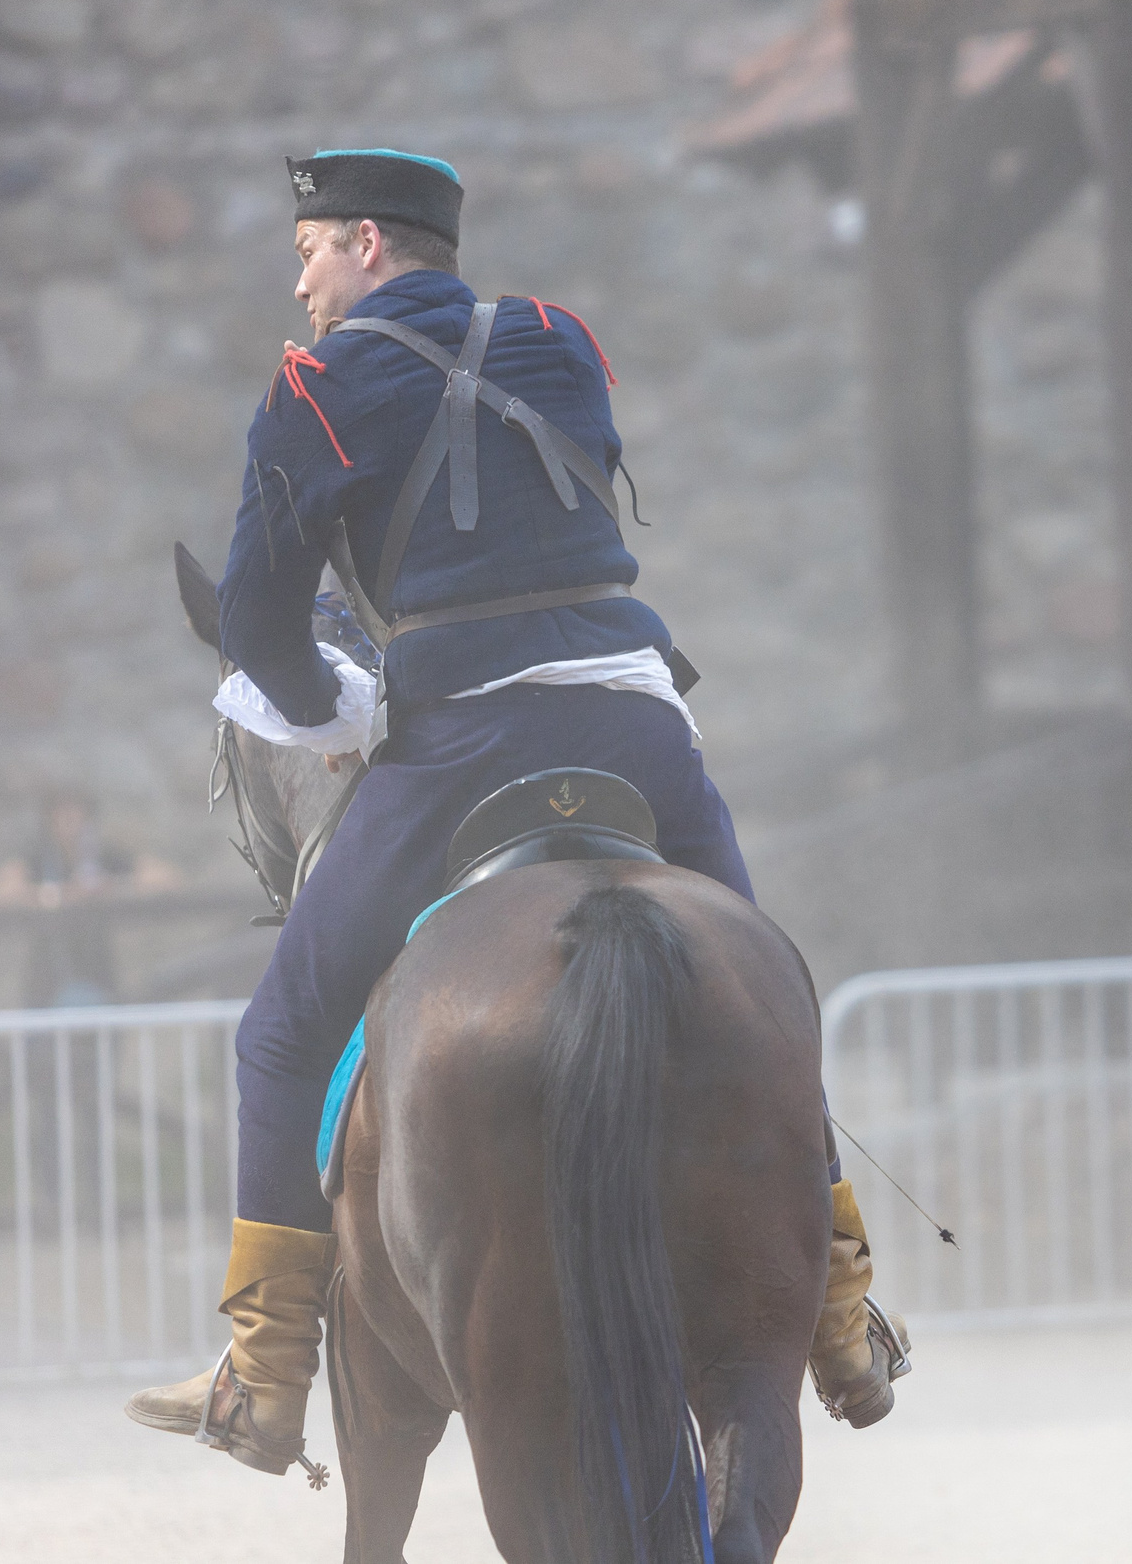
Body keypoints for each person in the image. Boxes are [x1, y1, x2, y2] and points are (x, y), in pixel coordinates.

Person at [126, 149, 902, 1475]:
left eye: (309, 249)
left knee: (282, 1030)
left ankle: (264, 1373)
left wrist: (332, 707)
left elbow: (258, 618)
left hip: (462, 735)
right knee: (770, 991)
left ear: (367, 243)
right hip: (638, 713)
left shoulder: (314, 383)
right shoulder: (560, 338)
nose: (300, 279)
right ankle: (835, 1314)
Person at [0, 790, 181, 1005]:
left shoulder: (104, 855)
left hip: (98, 973)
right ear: (50, 821)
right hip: (48, 977)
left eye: (78, 814)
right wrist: (60, 895)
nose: (71, 822)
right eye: (63, 814)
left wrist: (111, 888)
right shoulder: (37, 857)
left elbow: (168, 879)